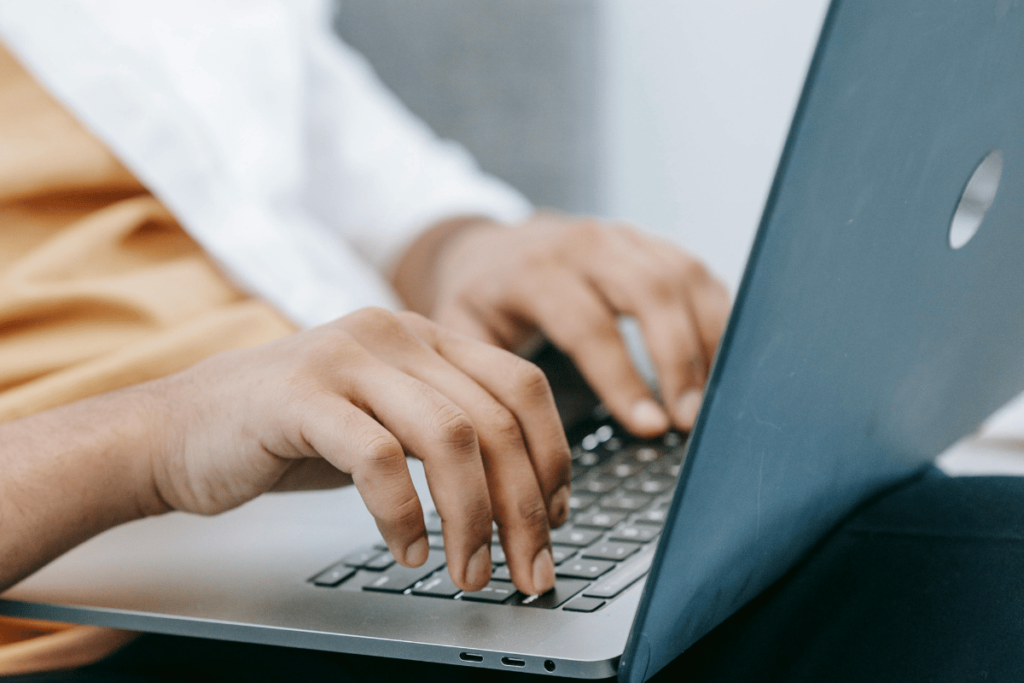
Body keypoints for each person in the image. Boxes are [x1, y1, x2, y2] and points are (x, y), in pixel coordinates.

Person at [0, 0, 729, 674]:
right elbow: (171, 433)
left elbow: (359, 173)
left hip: (327, 525)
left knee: (797, 547)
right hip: (74, 633)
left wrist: (462, 248)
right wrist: (161, 437)